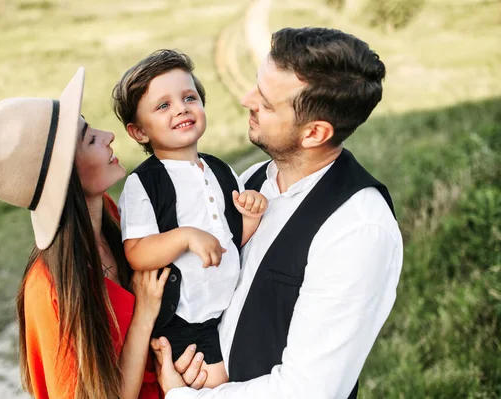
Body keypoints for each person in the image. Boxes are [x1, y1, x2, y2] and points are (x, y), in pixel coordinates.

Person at [152, 27, 404, 399]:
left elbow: (307, 390)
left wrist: (183, 396)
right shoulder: (254, 178)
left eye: (266, 103)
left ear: (315, 133)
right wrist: (200, 359)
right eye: (257, 85)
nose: (245, 99)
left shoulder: (358, 229)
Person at [0, 67, 173, 399]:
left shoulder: (112, 215)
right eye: (90, 138)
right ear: (66, 177)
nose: (108, 135)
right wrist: (144, 313)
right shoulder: (49, 290)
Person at [111, 50, 268, 388]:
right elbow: (136, 252)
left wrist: (251, 213)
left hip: (230, 308)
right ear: (139, 132)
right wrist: (184, 236)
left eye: (189, 97)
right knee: (216, 382)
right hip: (184, 317)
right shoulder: (146, 182)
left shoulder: (220, 170)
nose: (181, 108)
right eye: (163, 105)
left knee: (252, 373)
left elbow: (230, 237)